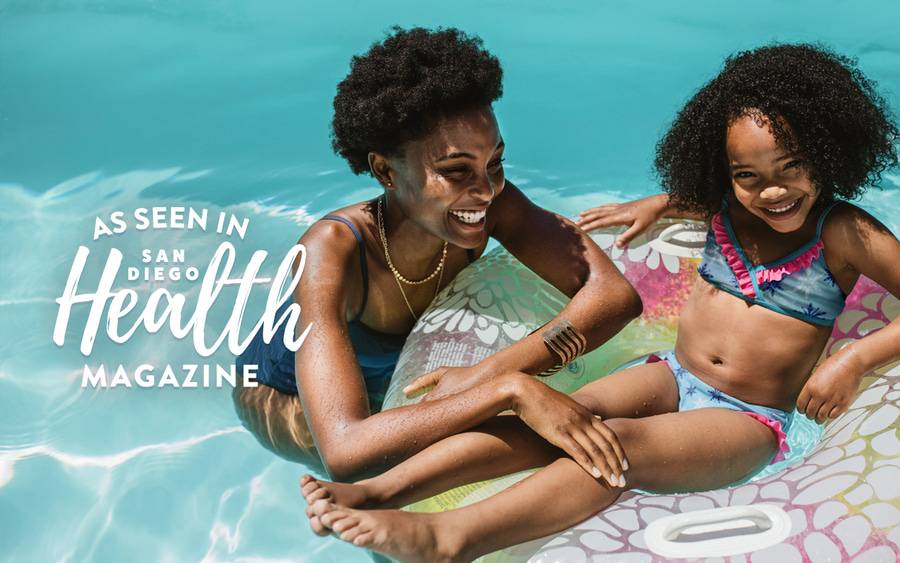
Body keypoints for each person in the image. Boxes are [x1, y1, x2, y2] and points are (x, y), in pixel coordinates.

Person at [301, 44, 900, 562]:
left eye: (792, 167)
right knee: (569, 413)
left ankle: (455, 538)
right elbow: (698, 195)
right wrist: (658, 204)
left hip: (750, 419)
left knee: (616, 446)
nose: (772, 191)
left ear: (828, 150)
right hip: (669, 375)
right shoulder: (728, 204)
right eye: (748, 176)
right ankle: (379, 492)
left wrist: (854, 360)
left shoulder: (843, 233)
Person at [233, 27, 642, 482]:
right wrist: (508, 390)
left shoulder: (489, 206)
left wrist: (494, 370)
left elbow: (613, 295)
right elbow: (345, 449)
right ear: (385, 170)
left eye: (495, 163)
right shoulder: (331, 253)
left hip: (403, 372)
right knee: (394, 485)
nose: (485, 189)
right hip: (285, 395)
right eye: (455, 170)